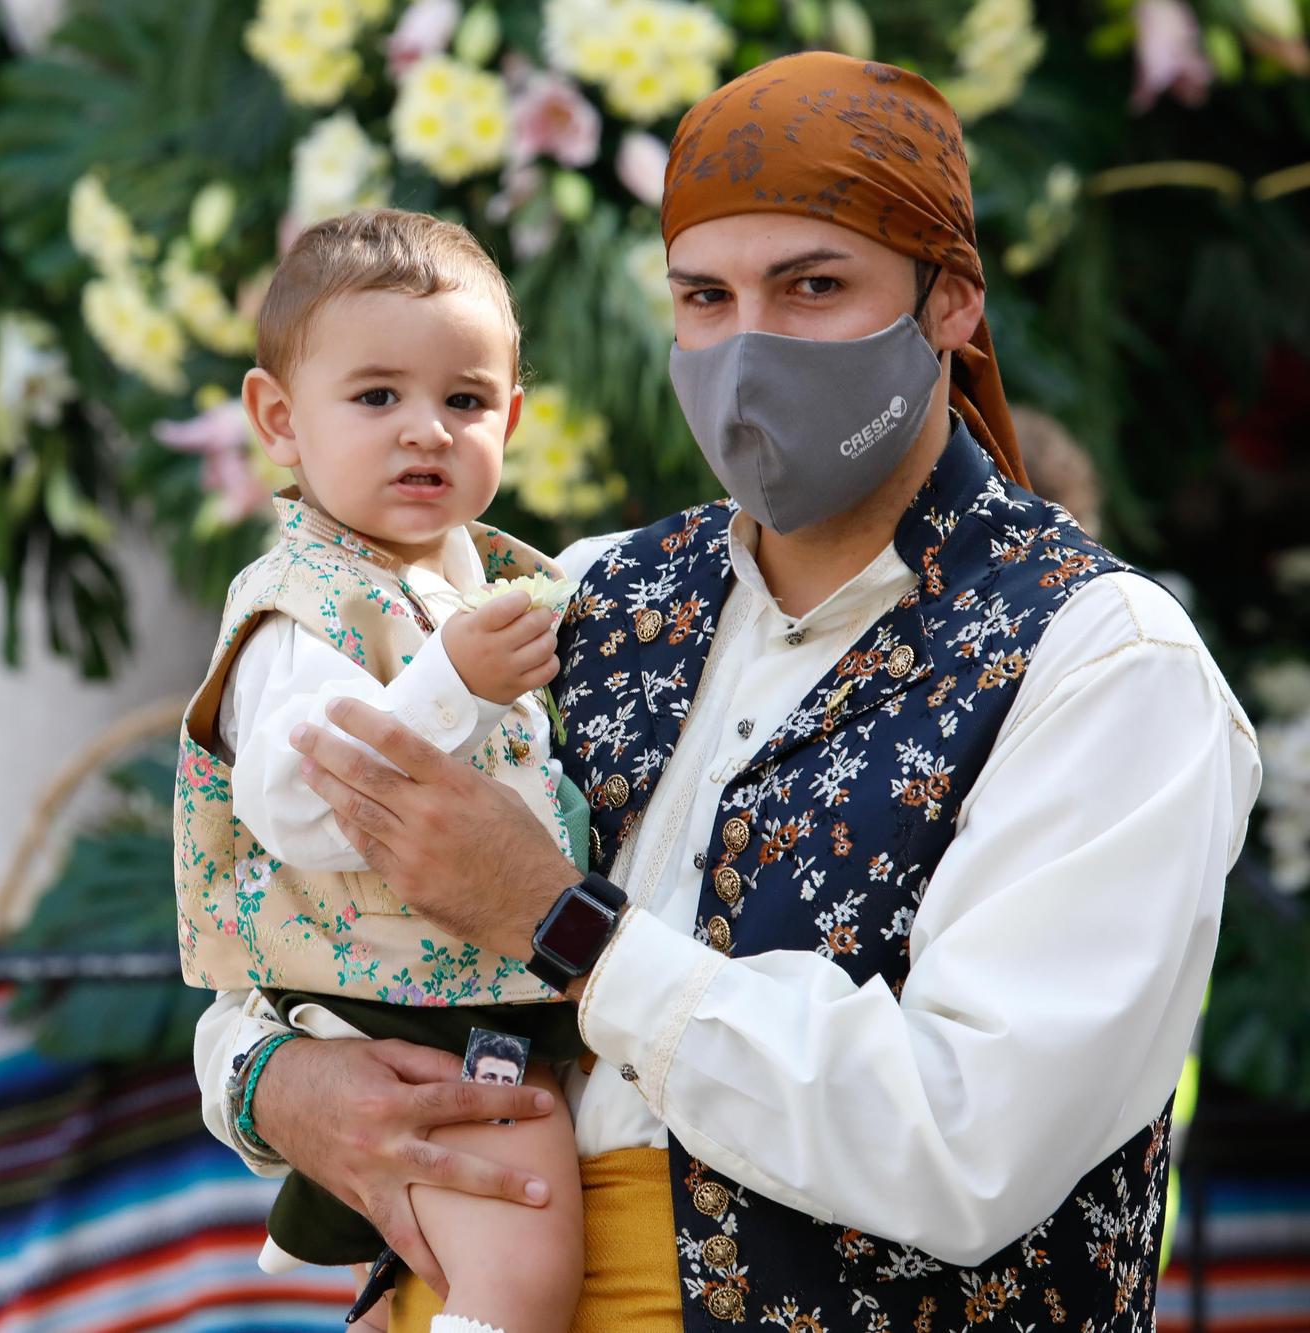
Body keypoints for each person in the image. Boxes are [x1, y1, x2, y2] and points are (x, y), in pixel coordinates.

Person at [195, 52, 1261, 1331]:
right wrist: (272, 1086)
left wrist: (561, 919)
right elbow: (298, 916)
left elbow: (967, 1147)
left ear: (948, 307)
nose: (747, 343)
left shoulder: (1099, 662)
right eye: (703, 296)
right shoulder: (577, 600)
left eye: (811, 286)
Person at [174, 208, 593, 1333]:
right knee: (522, 1272)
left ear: (509, 416)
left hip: (464, 983)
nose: (425, 432)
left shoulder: (491, 579)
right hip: (390, 1003)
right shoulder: (299, 603)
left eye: (462, 401)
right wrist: (447, 684)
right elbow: (291, 801)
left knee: (483, 1270)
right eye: (375, 398)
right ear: (279, 419)